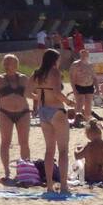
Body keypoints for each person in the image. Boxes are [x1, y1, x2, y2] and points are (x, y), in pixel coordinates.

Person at [26, 48, 73, 196]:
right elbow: (58, 93)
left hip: (43, 111)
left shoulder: (37, 73)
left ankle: (50, 187)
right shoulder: (55, 72)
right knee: (63, 150)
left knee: (49, 150)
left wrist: (39, 97)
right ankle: (64, 186)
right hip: (56, 111)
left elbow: (27, 92)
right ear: (55, 60)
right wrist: (69, 101)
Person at [0, 54, 31, 178]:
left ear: (16, 65)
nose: (7, 66)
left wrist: (37, 105)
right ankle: (7, 171)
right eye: (5, 63)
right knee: (5, 142)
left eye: (10, 63)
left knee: (24, 142)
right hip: (4, 113)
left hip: (23, 113)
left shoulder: (24, 78)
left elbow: (31, 94)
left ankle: (25, 170)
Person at [69, 49, 97, 125]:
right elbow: (72, 78)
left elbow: (94, 77)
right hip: (79, 86)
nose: (85, 55)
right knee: (80, 103)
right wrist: (74, 89)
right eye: (83, 54)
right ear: (80, 55)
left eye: (86, 54)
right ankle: (77, 120)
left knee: (88, 103)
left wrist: (97, 88)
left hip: (89, 86)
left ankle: (87, 119)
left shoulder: (90, 65)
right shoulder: (76, 64)